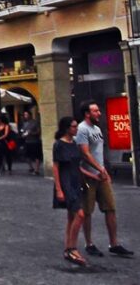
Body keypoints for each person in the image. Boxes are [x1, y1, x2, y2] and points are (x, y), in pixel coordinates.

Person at [76, 101, 133, 258]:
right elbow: (85, 153)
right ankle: (89, 243)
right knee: (87, 211)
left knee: (110, 208)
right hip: (88, 176)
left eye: (98, 110)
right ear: (87, 114)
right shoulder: (81, 129)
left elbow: (98, 152)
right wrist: (100, 169)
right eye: (95, 111)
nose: (99, 113)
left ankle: (114, 243)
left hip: (102, 176)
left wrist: (104, 169)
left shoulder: (97, 129)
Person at [52, 116, 88, 266]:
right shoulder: (59, 145)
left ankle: (68, 248)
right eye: (74, 127)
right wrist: (59, 189)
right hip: (66, 183)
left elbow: (77, 166)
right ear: (67, 128)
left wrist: (93, 175)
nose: (76, 129)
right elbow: (56, 167)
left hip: (75, 182)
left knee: (71, 217)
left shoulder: (74, 143)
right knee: (80, 214)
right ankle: (72, 248)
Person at [21, 110, 42, 175]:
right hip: (27, 141)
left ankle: (37, 169)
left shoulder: (35, 122)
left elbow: (39, 131)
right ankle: (31, 167)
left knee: (36, 156)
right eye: (24, 115)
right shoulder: (24, 123)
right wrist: (23, 134)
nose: (25, 116)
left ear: (30, 115)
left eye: (26, 114)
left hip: (35, 141)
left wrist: (31, 133)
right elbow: (22, 131)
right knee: (26, 155)